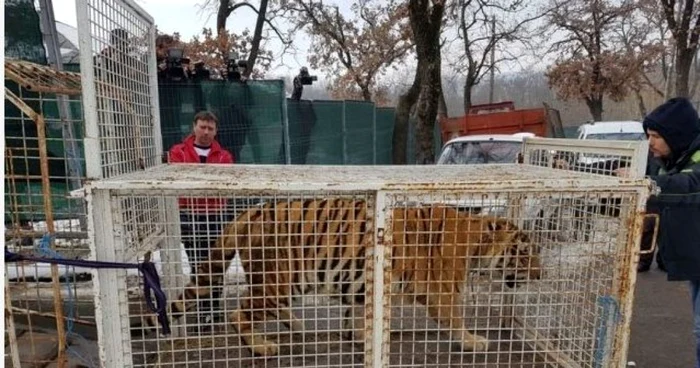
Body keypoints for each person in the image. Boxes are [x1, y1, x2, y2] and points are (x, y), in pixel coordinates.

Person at [630, 97, 700, 368]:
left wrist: (648, 184)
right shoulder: (668, 157)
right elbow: (628, 168)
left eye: (656, 136)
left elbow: (690, 185)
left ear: (677, 135)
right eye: (648, 135)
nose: (651, 143)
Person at [168, 110, 234, 326]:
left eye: (210, 128)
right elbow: (179, 181)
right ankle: (201, 311)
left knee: (217, 265)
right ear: (194, 127)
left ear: (216, 132)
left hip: (216, 216)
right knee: (198, 264)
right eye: (202, 127)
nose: (206, 132)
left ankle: (213, 310)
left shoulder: (224, 156)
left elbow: (225, 185)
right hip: (190, 216)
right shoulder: (179, 152)